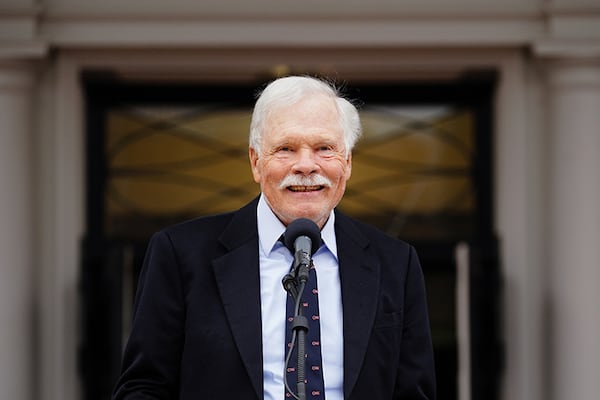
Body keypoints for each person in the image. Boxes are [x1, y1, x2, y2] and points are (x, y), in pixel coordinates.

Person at [112, 76, 436, 400]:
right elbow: (144, 388)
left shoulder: (396, 263)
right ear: (255, 161)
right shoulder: (180, 255)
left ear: (347, 162)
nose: (306, 165)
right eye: (286, 149)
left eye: (324, 148)